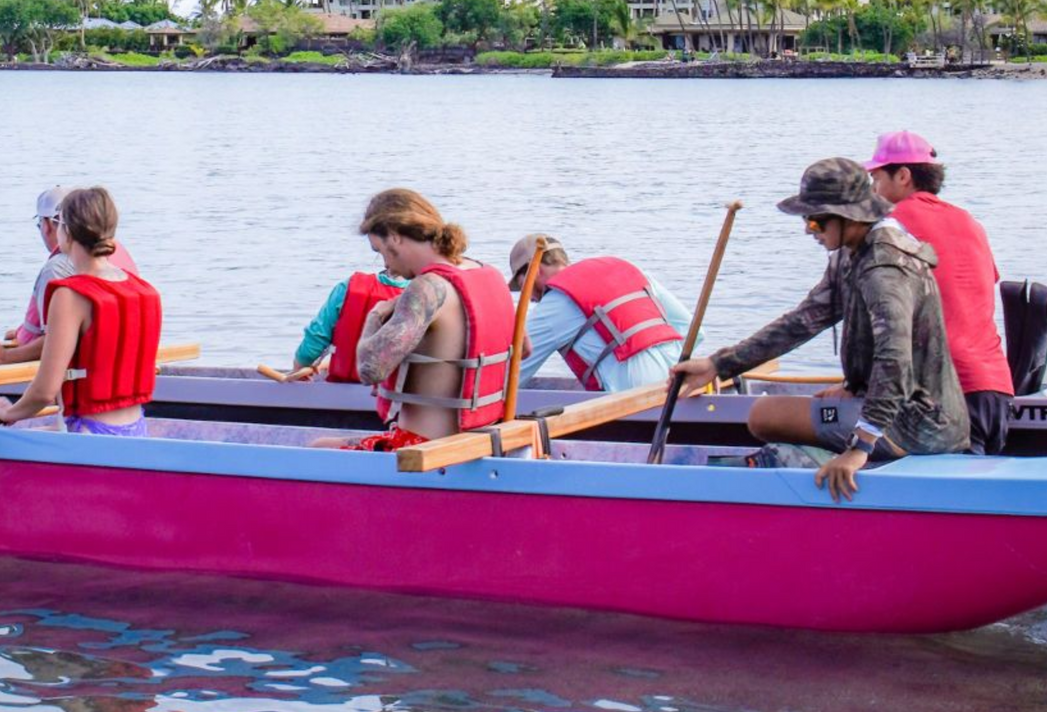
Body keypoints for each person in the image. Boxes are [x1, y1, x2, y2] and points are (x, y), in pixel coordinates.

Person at [670, 158, 968, 501]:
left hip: (920, 424)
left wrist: (860, 446)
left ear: (849, 216)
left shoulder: (884, 267)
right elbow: (803, 321)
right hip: (908, 413)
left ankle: (822, 465)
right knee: (777, 414)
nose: (809, 231)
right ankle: (806, 459)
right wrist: (719, 365)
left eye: (815, 222)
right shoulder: (851, 253)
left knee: (764, 415)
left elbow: (894, 356)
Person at [320, 188, 515, 452]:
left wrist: (375, 316)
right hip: (480, 440)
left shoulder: (428, 288)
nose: (386, 266)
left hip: (427, 449)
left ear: (395, 236)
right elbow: (523, 348)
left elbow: (369, 369)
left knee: (320, 447)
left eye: (380, 251)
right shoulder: (488, 274)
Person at [863, 131, 1013, 454]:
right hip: (995, 392)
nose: (873, 190)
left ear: (903, 176)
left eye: (876, 178)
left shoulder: (888, 224)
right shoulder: (971, 223)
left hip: (940, 396)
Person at [0, 186, 160, 436]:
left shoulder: (69, 296)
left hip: (90, 434)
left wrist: (8, 412)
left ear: (65, 232)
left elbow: (45, 390)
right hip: (137, 430)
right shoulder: (145, 291)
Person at [0, 187, 141, 368]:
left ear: (49, 225)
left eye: (40, 224)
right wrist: (24, 332)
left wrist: (3, 356)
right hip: (109, 363)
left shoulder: (58, 268)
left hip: (57, 369)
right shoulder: (116, 254)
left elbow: (56, 341)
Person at [506, 234, 689, 392]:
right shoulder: (629, 269)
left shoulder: (556, 302)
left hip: (635, 399)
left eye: (522, 287)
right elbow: (689, 328)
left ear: (535, 271)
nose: (528, 298)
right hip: (681, 382)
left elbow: (509, 376)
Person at [286, 267, 408, 382]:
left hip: (343, 387)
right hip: (395, 393)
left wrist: (299, 369)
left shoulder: (348, 286)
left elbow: (315, 340)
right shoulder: (423, 294)